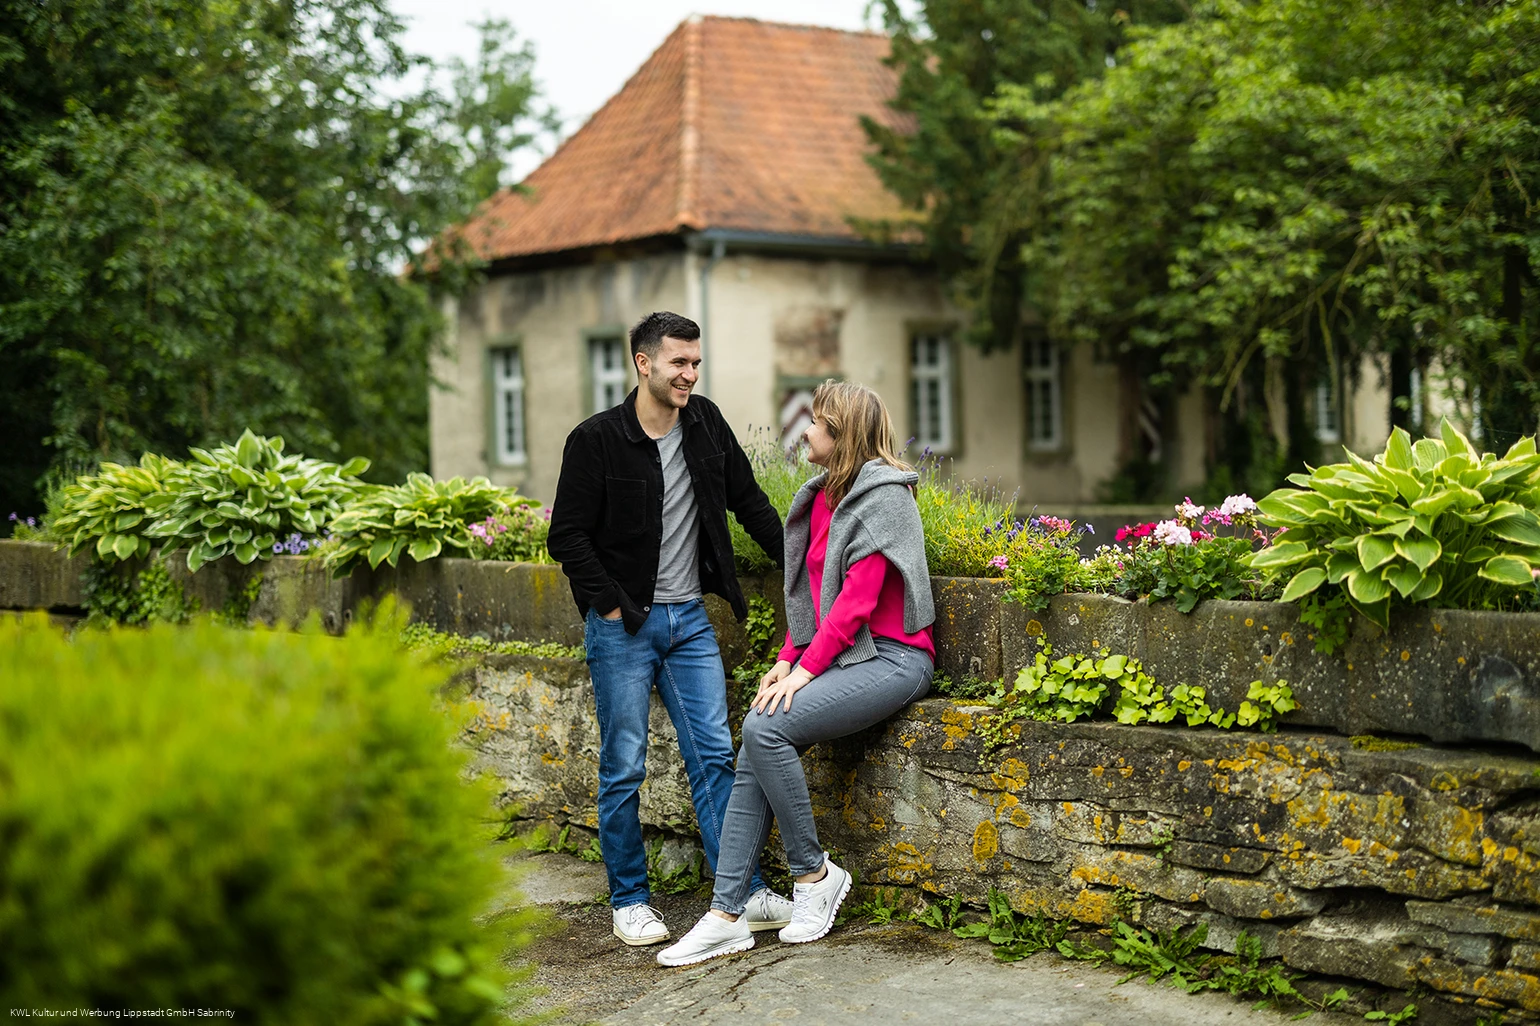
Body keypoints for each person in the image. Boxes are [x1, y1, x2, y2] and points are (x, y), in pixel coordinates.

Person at [657, 379, 936, 967]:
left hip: (894, 658)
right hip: (844, 655)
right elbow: (813, 603)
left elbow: (856, 603)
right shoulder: (820, 496)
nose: (804, 430)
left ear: (843, 435)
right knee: (757, 733)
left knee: (766, 728)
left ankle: (813, 876)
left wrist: (803, 674)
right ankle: (726, 914)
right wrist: (786, 659)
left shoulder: (885, 496)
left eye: (815, 423)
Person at [546, 311, 793, 947]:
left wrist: (804, 566)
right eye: (678, 362)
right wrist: (606, 604)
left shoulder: (705, 423)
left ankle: (741, 891)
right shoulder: (596, 440)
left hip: (689, 623)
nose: (689, 374)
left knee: (715, 755)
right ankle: (630, 898)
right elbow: (566, 534)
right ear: (644, 363)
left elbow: (752, 504)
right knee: (624, 765)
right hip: (623, 628)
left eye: (695, 363)